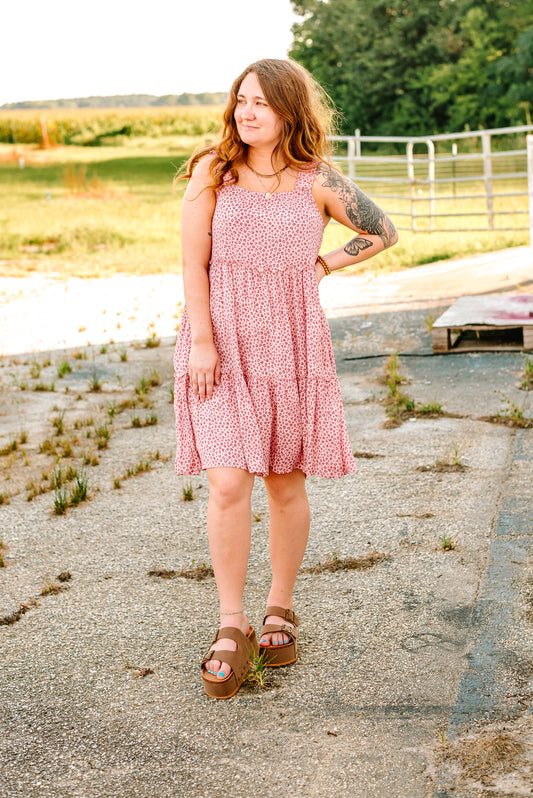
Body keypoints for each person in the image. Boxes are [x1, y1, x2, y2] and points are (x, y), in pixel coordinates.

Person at [173, 58, 398, 699]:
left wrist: (322, 265)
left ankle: (278, 606)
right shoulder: (209, 173)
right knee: (226, 481)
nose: (247, 112)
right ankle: (229, 622)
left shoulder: (315, 179)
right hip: (219, 343)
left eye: (262, 103)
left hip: (291, 345)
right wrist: (204, 341)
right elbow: (193, 266)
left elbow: (382, 231)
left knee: (284, 480)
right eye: (241, 100)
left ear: (289, 112)